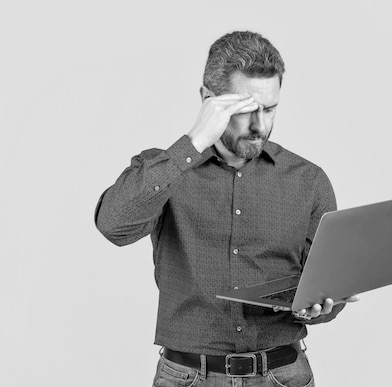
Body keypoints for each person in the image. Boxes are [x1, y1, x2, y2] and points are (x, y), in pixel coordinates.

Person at [95, 30, 359, 386]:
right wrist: (193, 144)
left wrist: (321, 308)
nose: (259, 126)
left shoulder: (308, 179)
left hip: (283, 375)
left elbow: (325, 284)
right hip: (187, 377)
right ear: (208, 99)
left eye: (270, 109)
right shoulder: (163, 170)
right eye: (246, 110)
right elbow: (114, 225)